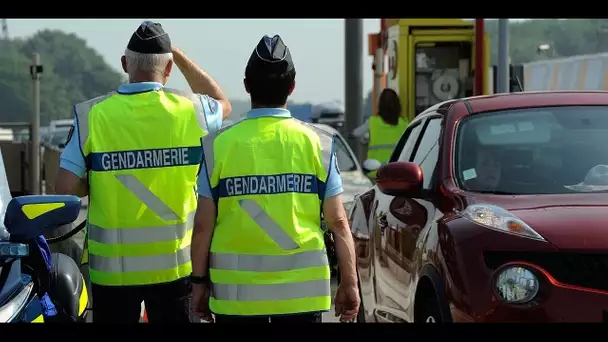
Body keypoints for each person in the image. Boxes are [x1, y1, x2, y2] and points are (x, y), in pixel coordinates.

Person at [54, 21, 232, 323]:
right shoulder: (192, 111)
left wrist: (101, 175)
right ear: (170, 68)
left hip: (113, 272)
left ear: (124, 63)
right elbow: (223, 103)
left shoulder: (92, 115)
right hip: (177, 266)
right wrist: (179, 56)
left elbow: (65, 188)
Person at [189, 35, 360, 323]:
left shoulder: (217, 145)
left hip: (235, 298)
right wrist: (350, 282)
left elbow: (204, 224)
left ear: (246, 85)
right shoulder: (319, 144)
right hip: (302, 297)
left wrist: (198, 283)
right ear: (291, 87)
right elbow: (338, 222)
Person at [351, 88, 407, 178]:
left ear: (380, 105)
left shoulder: (372, 122)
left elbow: (356, 133)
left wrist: (349, 134)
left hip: (376, 172)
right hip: (398, 171)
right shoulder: (404, 123)